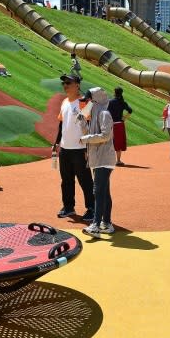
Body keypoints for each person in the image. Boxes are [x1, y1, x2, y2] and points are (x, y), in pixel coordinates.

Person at [53, 74, 95, 221]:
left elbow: (89, 126)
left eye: (68, 83)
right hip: (65, 149)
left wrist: (88, 149)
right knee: (66, 180)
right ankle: (68, 207)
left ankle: (92, 208)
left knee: (85, 181)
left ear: (77, 85)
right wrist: (56, 143)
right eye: (64, 83)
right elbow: (61, 124)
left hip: (80, 149)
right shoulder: (64, 102)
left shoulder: (85, 102)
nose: (65, 85)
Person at [80, 87, 116, 236]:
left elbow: (105, 136)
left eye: (89, 100)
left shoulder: (104, 114)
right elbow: (88, 134)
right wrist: (82, 122)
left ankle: (95, 225)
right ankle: (106, 223)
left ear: (96, 100)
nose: (87, 103)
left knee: (98, 191)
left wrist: (86, 139)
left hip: (104, 158)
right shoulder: (95, 114)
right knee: (104, 192)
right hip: (98, 158)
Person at [107, 86, 132, 165]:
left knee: (109, 142)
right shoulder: (123, 102)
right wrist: (124, 118)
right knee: (118, 143)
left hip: (111, 125)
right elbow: (130, 111)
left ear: (114, 93)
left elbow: (106, 112)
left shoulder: (110, 102)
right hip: (120, 125)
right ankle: (118, 160)